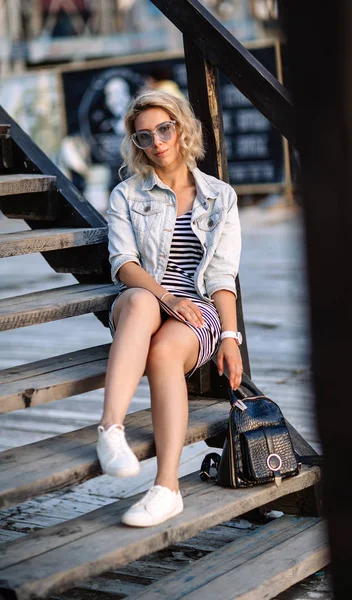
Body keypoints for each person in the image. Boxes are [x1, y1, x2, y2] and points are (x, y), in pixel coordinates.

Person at [96, 89, 243, 527]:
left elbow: (220, 277)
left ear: (181, 129)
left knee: (163, 353)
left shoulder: (220, 197)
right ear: (136, 144)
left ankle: (166, 489)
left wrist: (230, 338)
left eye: (164, 128)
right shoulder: (126, 194)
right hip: (147, 297)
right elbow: (123, 264)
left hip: (196, 309)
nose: (157, 141)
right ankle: (110, 430)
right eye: (144, 136)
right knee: (141, 301)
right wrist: (167, 297)